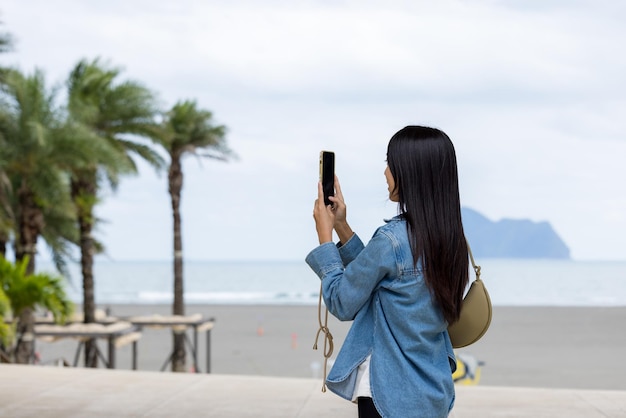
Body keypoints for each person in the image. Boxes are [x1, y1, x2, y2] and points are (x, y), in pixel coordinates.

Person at [305, 126, 469, 418]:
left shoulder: (391, 239)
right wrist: (342, 225)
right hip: (433, 393)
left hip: (387, 396)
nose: (385, 173)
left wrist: (325, 238)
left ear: (410, 173)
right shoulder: (452, 239)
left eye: (390, 163)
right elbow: (379, 282)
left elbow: (343, 301)